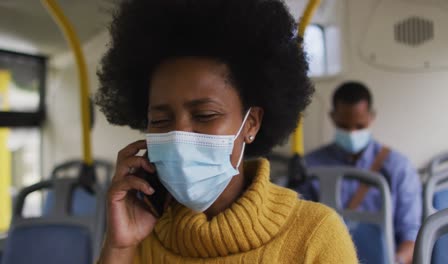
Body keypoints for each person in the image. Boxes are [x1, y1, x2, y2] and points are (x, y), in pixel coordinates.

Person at [94, 0, 358, 263]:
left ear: (251, 122)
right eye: (161, 120)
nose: (180, 135)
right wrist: (118, 247)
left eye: (204, 116)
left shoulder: (314, 236)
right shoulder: (142, 233)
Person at [297, 81, 422, 264]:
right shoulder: (310, 166)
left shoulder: (397, 167)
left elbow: (411, 234)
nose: (352, 133)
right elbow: (300, 226)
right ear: (332, 117)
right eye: (344, 127)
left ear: (372, 117)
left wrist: (397, 260)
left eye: (360, 126)